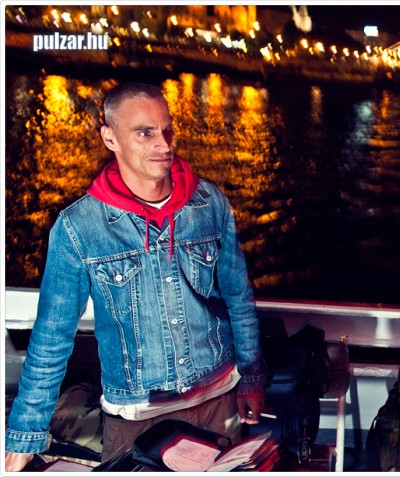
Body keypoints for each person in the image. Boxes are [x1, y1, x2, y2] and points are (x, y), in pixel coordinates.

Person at [5, 82, 268, 471]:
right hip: (136, 418)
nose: (164, 144)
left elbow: (238, 298)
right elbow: (51, 337)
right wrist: (25, 434)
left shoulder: (209, 203)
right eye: (145, 133)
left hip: (218, 402)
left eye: (167, 130)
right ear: (109, 138)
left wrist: (251, 379)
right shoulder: (79, 227)